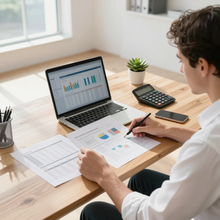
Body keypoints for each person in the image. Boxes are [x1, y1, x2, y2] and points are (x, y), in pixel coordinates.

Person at [77, 5, 220, 220]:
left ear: (202, 65)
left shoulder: (207, 146)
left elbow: (152, 215)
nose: (181, 69)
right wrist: (166, 129)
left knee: (93, 211)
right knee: (140, 178)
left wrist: (105, 175)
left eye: (181, 60)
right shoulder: (211, 140)